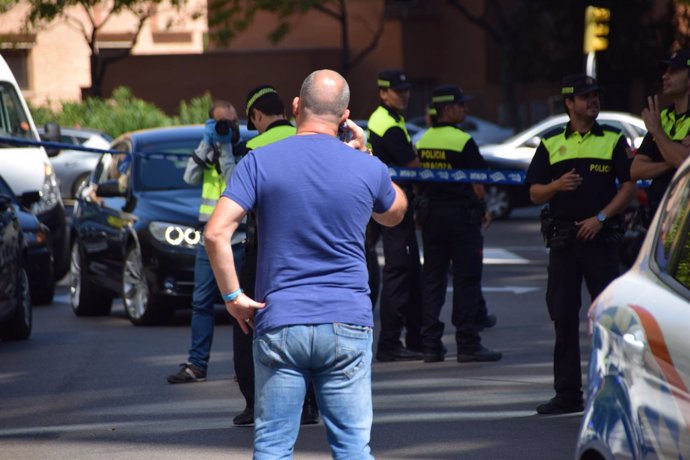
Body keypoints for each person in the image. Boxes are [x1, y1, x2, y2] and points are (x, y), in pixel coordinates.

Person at [204, 69, 407, 459]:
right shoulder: (366, 167)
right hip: (347, 320)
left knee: (274, 446)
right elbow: (395, 212)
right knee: (351, 447)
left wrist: (233, 296)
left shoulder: (259, 161)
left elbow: (216, 233)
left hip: (280, 320)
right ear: (345, 116)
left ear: (296, 107)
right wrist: (366, 155)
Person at [526, 74, 636, 414]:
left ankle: (613, 390)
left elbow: (629, 187)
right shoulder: (549, 142)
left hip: (600, 240)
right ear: (569, 103)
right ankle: (568, 394)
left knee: (608, 319)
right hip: (563, 241)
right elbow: (533, 193)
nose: (593, 101)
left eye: (596, 96)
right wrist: (557, 185)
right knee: (563, 317)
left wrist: (600, 218)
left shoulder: (614, 139)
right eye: (586, 96)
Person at [231, 84, 319, 427]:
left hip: (264, 248)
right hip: (308, 246)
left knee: (248, 321)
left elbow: (237, 200)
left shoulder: (250, 147)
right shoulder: (307, 139)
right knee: (308, 320)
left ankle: (255, 404)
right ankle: (309, 404)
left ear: (256, 116)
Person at [414, 85, 502, 363]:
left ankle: (430, 344)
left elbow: (418, 179)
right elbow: (478, 181)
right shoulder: (463, 140)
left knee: (433, 281)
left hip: (432, 218)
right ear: (447, 109)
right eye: (461, 105)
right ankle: (467, 343)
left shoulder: (423, 139)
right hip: (461, 218)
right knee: (466, 279)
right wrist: (484, 207)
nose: (465, 109)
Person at [167, 100, 242, 384]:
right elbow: (189, 176)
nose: (229, 127)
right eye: (222, 123)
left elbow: (235, 183)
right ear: (210, 125)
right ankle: (196, 365)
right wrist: (206, 143)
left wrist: (225, 150)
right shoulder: (208, 150)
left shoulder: (244, 150)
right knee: (200, 303)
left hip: (238, 238)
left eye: (233, 122)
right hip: (207, 240)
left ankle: (243, 367)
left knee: (239, 304)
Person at [367, 69, 423, 361]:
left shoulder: (390, 119)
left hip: (386, 200)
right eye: (397, 90)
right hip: (390, 204)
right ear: (383, 93)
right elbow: (411, 163)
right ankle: (390, 343)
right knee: (398, 271)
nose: (404, 94)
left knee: (408, 269)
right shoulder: (386, 123)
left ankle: (413, 338)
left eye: (406, 89)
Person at [631, 48, 690, 223]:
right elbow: (636, 170)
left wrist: (658, 133)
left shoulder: (656, 124)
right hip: (659, 220)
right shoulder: (661, 117)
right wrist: (671, 160)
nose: (665, 76)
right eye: (665, 71)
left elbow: (681, 161)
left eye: (674, 71)